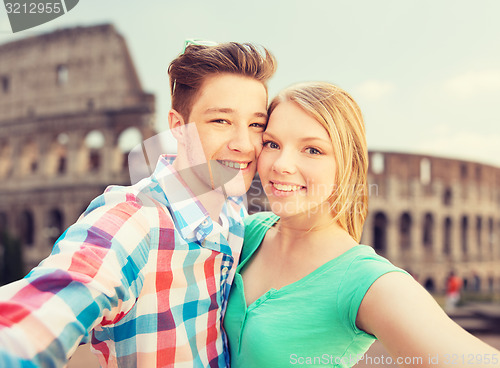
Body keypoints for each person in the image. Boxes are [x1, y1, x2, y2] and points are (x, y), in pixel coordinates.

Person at [0, 41, 276, 367]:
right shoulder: (133, 221)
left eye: (256, 124)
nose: (244, 144)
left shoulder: (233, 216)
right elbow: (42, 311)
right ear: (179, 128)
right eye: (221, 121)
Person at [224, 82, 500, 367]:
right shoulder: (243, 233)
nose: (282, 164)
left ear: (349, 166)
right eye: (272, 144)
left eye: (313, 150)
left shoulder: (365, 281)